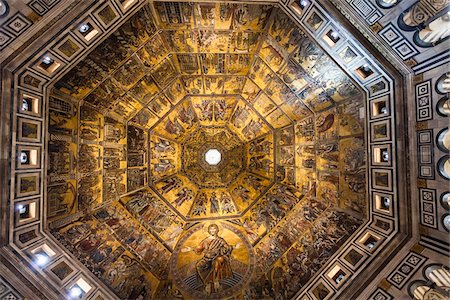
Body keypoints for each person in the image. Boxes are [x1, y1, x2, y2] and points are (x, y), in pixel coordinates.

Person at [182, 224, 233, 294]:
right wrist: (190, 249)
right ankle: (206, 283)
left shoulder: (220, 240)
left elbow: (226, 247)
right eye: (211, 229)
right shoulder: (205, 240)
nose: (212, 230)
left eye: (214, 229)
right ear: (209, 230)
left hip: (216, 258)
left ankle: (216, 281)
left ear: (217, 230)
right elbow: (199, 249)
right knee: (198, 266)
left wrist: (232, 247)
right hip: (206, 258)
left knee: (217, 261)